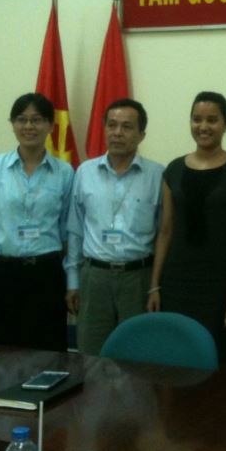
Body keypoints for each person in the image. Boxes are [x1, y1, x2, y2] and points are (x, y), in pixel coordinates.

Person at [148, 92, 226, 362]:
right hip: (177, 283)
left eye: (212, 120)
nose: (203, 126)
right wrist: (154, 286)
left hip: (221, 285)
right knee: (177, 358)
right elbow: (166, 232)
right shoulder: (173, 169)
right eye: (197, 119)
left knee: (218, 361)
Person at [0, 93, 73, 351]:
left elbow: (67, 232)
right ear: (12, 124)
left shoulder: (64, 172)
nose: (29, 126)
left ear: (50, 125)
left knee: (48, 352)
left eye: (37, 120)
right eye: (22, 119)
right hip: (1, 273)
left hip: (46, 274)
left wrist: (70, 281)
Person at [65, 98, 165, 355]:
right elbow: (75, 231)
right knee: (91, 354)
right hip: (94, 277)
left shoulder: (157, 176)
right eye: (112, 125)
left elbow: (164, 234)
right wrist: (72, 281)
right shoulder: (85, 172)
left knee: (137, 355)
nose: (117, 132)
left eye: (127, 127)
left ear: (141, 135)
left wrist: (155, 285)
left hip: (138, 278)